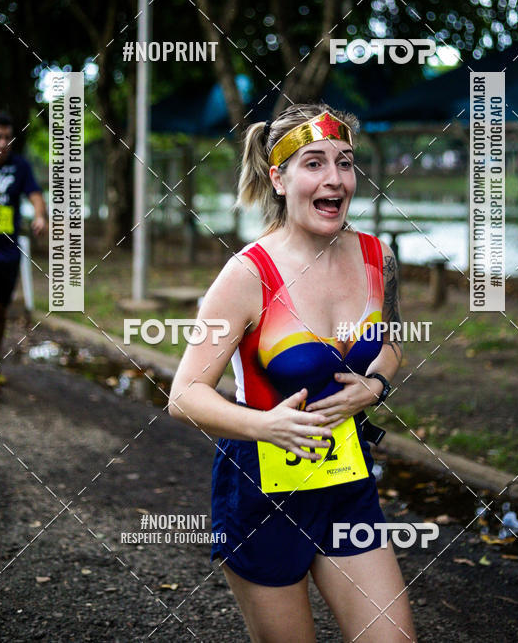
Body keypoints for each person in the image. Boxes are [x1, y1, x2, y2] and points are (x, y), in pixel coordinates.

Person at [169, 103, 416, 642]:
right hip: (260, 490)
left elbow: (393, 342)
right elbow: (184, 393)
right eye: (314, 163)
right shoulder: (245, 274)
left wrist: (373, 387)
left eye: (345, 162)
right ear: (278, 178)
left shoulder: (378, 257)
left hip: (347, 481)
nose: (335, 178)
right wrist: (265, 426)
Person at [0, 110, 47, 397]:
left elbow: (34, 195)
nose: (3, 142)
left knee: (0, 311)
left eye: (8, 137)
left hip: (8, 252)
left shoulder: (19, 166)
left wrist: (40, 216)